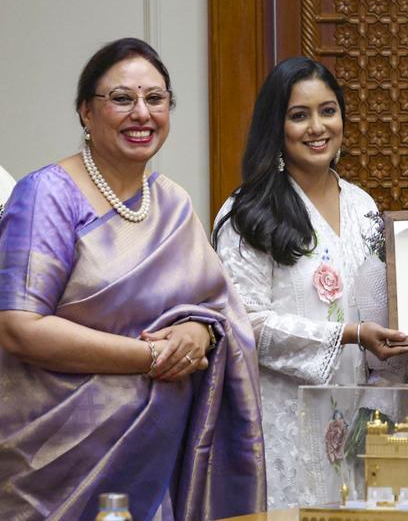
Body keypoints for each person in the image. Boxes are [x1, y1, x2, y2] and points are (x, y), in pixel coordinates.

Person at [0, 38, 265, 519]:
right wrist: (151, 357)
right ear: (85, 111)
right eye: (121, 99)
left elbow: (219, 310)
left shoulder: (172, 203)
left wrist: (197, 331)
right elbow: (20, 326)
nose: (141, 113)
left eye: (155, 99)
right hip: (53, 466)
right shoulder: (47, 196)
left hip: (153, 463)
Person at [213, 57, 408, 509]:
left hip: (362, 421)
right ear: (277, 125)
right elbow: (243, 324)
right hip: (283, 422)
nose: (317, 127)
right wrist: (348, 334)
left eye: (328, 111)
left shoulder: (364, 206)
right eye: (299, 115)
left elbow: (387, 304)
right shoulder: (246, 213)